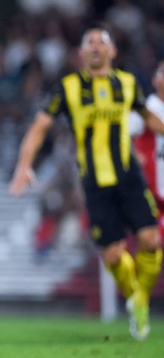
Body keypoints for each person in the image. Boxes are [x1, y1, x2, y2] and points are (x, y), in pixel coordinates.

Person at [9, 25, 163, 341]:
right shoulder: (67, 88)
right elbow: (39, 127)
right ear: (81, 53)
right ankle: (136, 297)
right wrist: (24, 166)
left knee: (151, 241)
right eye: (89, 42)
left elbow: (146, 116)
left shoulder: (127, 83)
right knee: (112, 256)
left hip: (129, 177)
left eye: (101, 42)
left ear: (112, 51)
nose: (95, 46)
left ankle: (139, 299)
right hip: (94, 183)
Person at [131, 61, 164, 238]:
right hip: (153, 196)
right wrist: (134, 156)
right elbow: (122, 135)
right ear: (155, 80)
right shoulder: (146, 108)